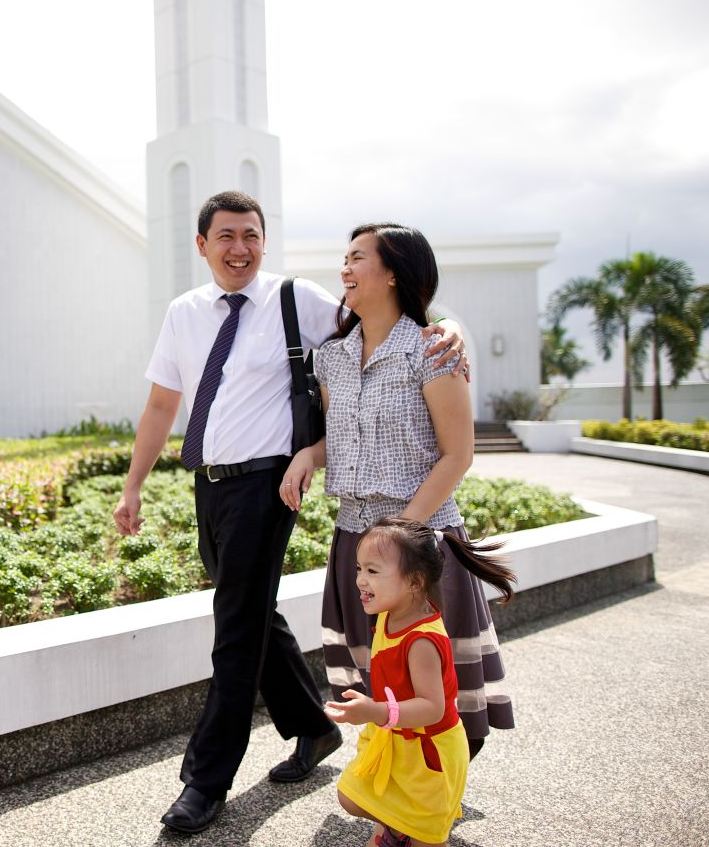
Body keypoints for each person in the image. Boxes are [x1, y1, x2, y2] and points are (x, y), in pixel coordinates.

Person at [113, 193, 467, 834]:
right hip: (210, 484)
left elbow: (390, 309)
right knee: (249, 609)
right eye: (225, 236)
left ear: (264, 241)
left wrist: (450, 327)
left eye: (251, 234)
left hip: (269, 484)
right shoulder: (184, 313)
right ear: (202, 245)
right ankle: (311, 725)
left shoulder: (294, 300)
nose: (239, 247)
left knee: (235, 629)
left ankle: (205, 780)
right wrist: (134, 485)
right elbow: (164, 405)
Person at [280, 222, 513, 763]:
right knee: (380, 680)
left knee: (439, 688)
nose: (345, 269)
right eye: (345, 257)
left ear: (391, 274)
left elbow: (458, 455)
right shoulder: (332, 358)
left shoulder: (431, 350)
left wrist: (400, 536)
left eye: (357, 258)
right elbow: (341, 443)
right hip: (354, 544)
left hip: (419, 542)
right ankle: (404, 789)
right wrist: (305, 456)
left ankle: (433, 793)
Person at [326, 516, 515, 847]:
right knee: (352, 797)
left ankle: (404, 829)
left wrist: (376, 711)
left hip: (429, 758)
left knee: (427, 838)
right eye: (359, 569)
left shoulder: (422, 641)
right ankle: (397, 826)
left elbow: (431, 707)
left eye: (372, 571)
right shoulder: (391, 612)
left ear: (414, 582)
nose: (359, 580)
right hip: (398, 741)